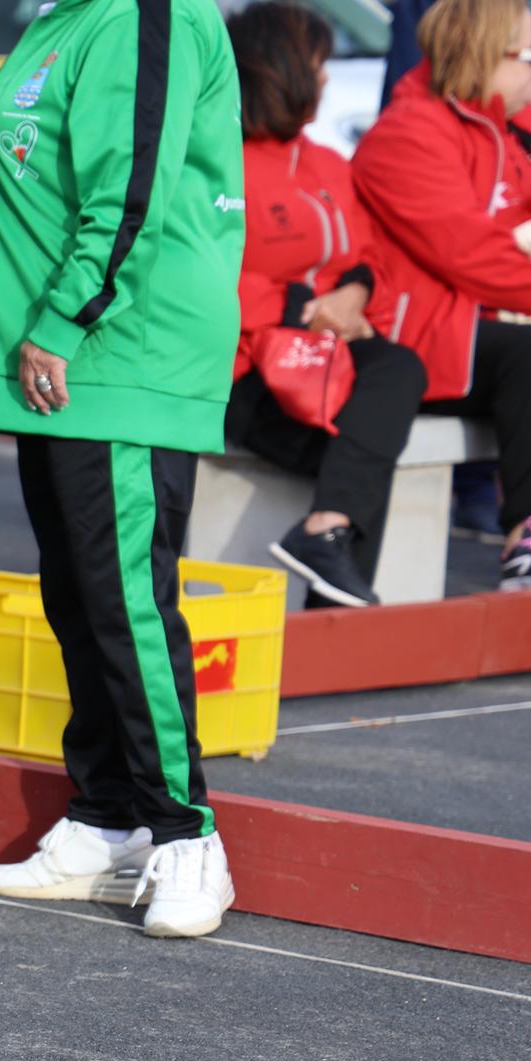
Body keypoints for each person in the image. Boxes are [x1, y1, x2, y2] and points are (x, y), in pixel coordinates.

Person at [0, 0, 245, 936]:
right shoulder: (62, 20)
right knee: (78, 595)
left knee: (124, 601)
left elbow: (132, 184)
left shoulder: (141, 11)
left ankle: (186, 832)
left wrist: (66, 316)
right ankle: (106, 816)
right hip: (70, 363)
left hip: (117, 352)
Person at [227, 1, 430, 607]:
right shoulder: (215, 161)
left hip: (324, 361)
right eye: (318, 65)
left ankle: (324, 544)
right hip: (246, 373)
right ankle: (332, 608)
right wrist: (305, 307)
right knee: (365, 450)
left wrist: (355, 291)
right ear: (276, 68)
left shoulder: (327, 163)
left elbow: (372, 254)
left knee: (392, 381)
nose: (324, 80)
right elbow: (204, 282)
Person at [351, 0, 531, 591]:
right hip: (405, 345)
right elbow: (475, 256)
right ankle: (525, 543)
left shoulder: (494, 129)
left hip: (460, 331)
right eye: (527, 56)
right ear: (486, 55)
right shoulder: (410, 132)